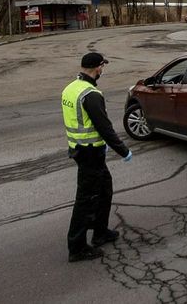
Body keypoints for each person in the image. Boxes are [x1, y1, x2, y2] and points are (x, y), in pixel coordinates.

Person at [62, 51, 132, 262]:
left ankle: (100, 232)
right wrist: (123, 150)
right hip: (89, 153)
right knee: (86, 199)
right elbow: (105, 127)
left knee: (104, 189)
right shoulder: (91, 95)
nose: (103, 70)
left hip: (82, 149)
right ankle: (77, 247)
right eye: (102, 66)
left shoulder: (71, 88)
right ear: (97, 67)